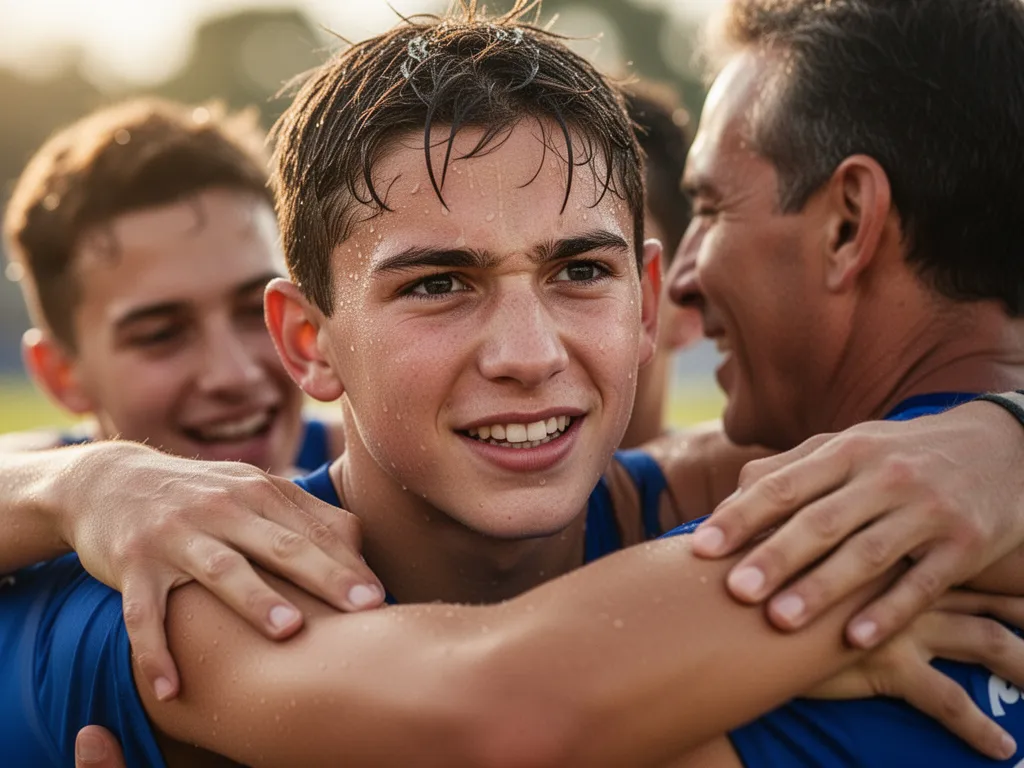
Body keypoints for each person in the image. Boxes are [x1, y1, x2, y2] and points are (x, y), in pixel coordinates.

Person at [5, 1, 1024, 765]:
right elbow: (494, 713)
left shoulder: (775, 489)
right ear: (308, 339)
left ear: (642, 302)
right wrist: (80, 482)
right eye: (439, 284)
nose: (526, 351)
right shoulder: (174, 591)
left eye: (579, 270)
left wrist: (998, 434)